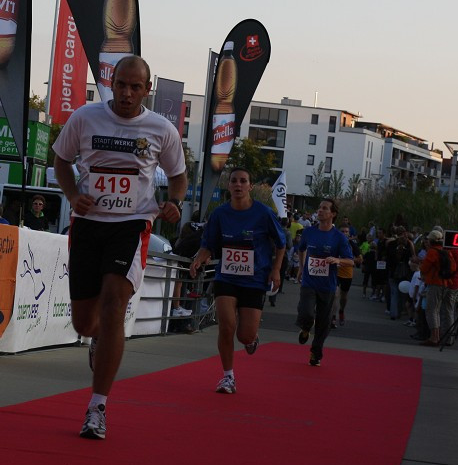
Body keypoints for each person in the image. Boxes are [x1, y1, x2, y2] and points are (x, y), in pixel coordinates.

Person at [53, 55, 187, 440]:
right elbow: (62, 160)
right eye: (122, 85)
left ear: (147, 90)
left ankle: (97, 407)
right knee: (85, 321)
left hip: (131, 225)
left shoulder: (161, 129)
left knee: (114, 304)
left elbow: (178, 175)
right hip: (89, 225)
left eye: (136, 87)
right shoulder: (85, 117)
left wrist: (174, 203)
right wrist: (73, 193)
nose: (127, 93)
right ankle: (96, 338)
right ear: (111, 83)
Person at [190, 167, 286, 393]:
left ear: (250, 186)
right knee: (226, 325)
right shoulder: (219, 214)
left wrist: (276, 270)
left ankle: (252, 339)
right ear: (229, 185)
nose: (238, 185)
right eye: (234, 181)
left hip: (254, 279)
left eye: (243, 181)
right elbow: (208, 245)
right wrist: (198, 260)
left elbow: (281, 244)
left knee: (244, 335)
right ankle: (228, 376)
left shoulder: (263, 213)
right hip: (227, 276)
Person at [295, 198, 354, 366]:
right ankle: (306, 327)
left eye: (325, 208)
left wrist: (337, 260)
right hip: (309, 281)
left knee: (324, 322)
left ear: (333, 214)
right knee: (306, 311)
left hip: (327, 285)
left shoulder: (339, 238)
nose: (320, 210)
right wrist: (300, 267)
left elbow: (350, 261)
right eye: (319, 208)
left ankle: (316, 352)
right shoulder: (309, 232)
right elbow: (301, 249)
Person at [419, 229, 451, 346]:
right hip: (445, 283)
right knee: (436, 310)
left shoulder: (432, 252)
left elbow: (424, 268)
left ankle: (434, 337)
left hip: (435, 283)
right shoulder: (445, 251)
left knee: (431, 310)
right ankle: (436, 336)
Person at [331, 224, 361, 327]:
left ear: (349, 233)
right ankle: (333, 318)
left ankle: (341, 311)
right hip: (335, 273)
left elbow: (360, 259)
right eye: (342, 231)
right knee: (335, 294)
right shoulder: (334, 243)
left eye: (346, 232)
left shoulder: (352, 244)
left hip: (347, 275)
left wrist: (346, 261)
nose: (344, 233)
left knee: (343, 297)